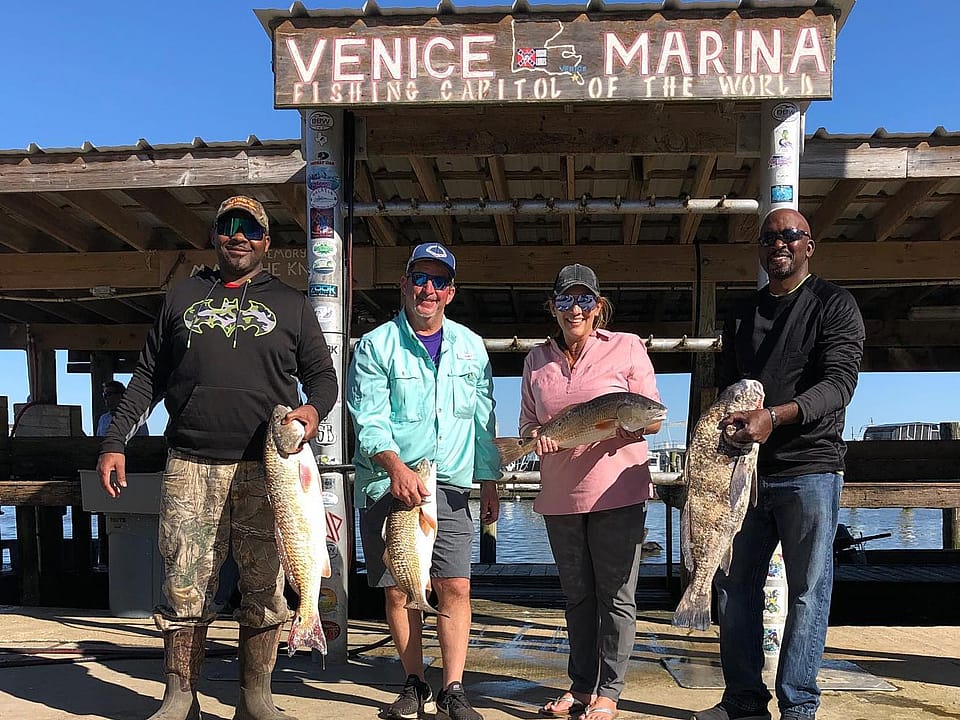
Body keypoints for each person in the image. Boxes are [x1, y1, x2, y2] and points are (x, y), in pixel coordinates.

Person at [97, 195, 338, 720]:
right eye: (228, 226)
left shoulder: (292, 304)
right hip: (190, 464)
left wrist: (312, 412)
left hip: (269, 469)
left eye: (249, 228)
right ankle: (180, 696)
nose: (238, 236)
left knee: (266, 584)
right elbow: (146, 379)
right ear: (215, 236)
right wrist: (115, 442)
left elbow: (323, 377)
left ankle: (256, 697)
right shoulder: (181, 296)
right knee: (184, 585)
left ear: (266, 242)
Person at [691, 209, 865, 720]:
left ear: (809, 245)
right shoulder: (742, 312)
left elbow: (839, 387)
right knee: (735, 586)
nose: (779, 244)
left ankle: (798, 706)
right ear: (762, 250)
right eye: (769, 238)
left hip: (811, 468)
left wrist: (774, 417)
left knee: (809, 591)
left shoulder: (834, 304)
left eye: (790, 235)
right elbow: (725, 389)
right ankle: (743, 702)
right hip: (743, 475)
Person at [347, 242, 500, 720]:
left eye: (438, 281)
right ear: (404, 285)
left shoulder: (473, 347)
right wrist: (396, 469)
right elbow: (368, 419)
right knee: (399, 589)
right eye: (419, 278)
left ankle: (453, 687)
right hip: (387, 487)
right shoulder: (374, 346)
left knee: (455, 586)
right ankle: (414, 682)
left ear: (451, 292)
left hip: (448, 486)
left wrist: (490, 478)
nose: (427, 289)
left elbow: (482, 420)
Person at [520, 263, 662, 720]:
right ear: (553, 307)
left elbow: (654, 417)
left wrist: (623, 430)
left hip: (617, 494)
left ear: (598, 307)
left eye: (584, 300)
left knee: (617, 595)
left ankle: (611, 692)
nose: (575, 309)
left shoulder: (628, 348)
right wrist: (535, 437)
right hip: (560, 497)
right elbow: (527, 423)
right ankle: (581, 687)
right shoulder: (535, 360)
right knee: (577, 596)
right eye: (565, 300)